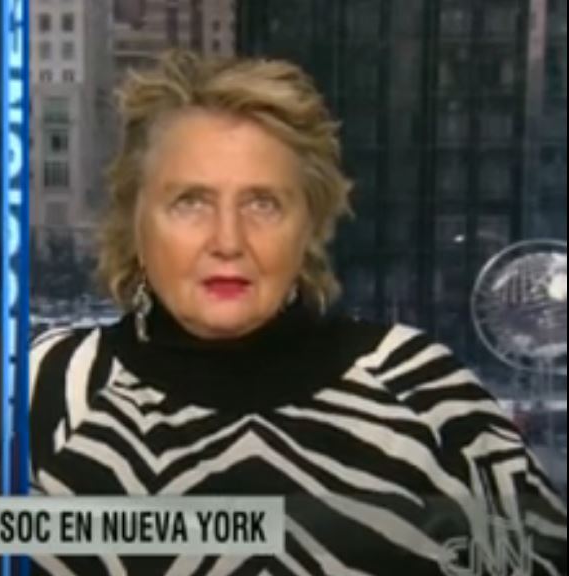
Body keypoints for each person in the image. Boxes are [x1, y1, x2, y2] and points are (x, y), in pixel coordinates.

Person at [28, 50, 566, 575]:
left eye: (263, 204)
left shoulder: (420, 388)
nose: (228, 241)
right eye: (190, 201)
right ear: (135, 223)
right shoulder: (45, 387)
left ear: (309, 225)